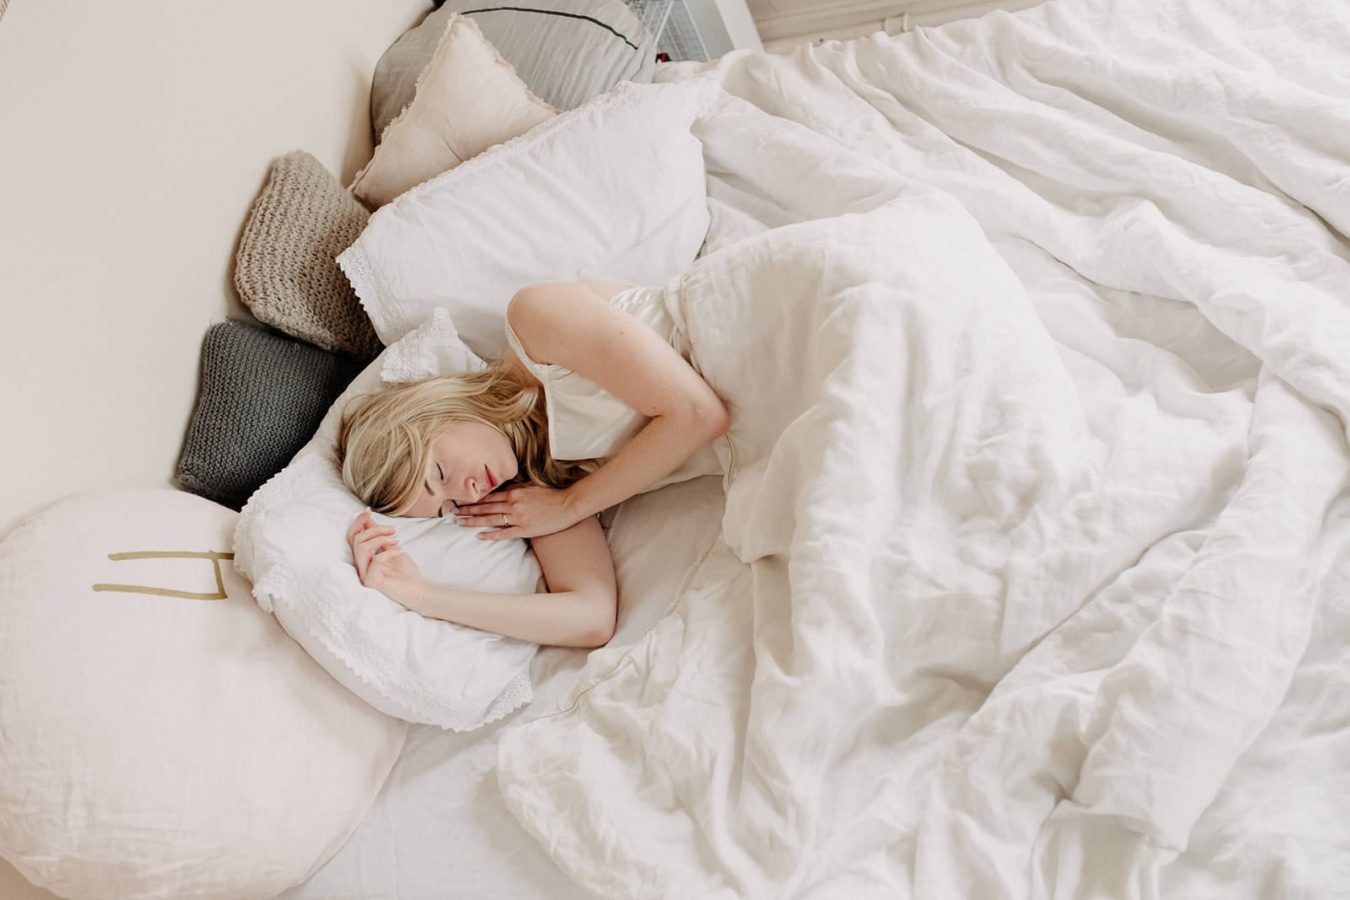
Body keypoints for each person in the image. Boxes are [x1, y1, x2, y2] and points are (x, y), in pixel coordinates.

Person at [335, 279, 730, 649]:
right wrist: (423, 596)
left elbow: (699, 414)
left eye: (440, 474)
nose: (469, 492)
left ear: (433, 413)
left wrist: (571, 505)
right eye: (450, 507)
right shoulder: (544, 490)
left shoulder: (535, 323)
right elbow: (591, 617)